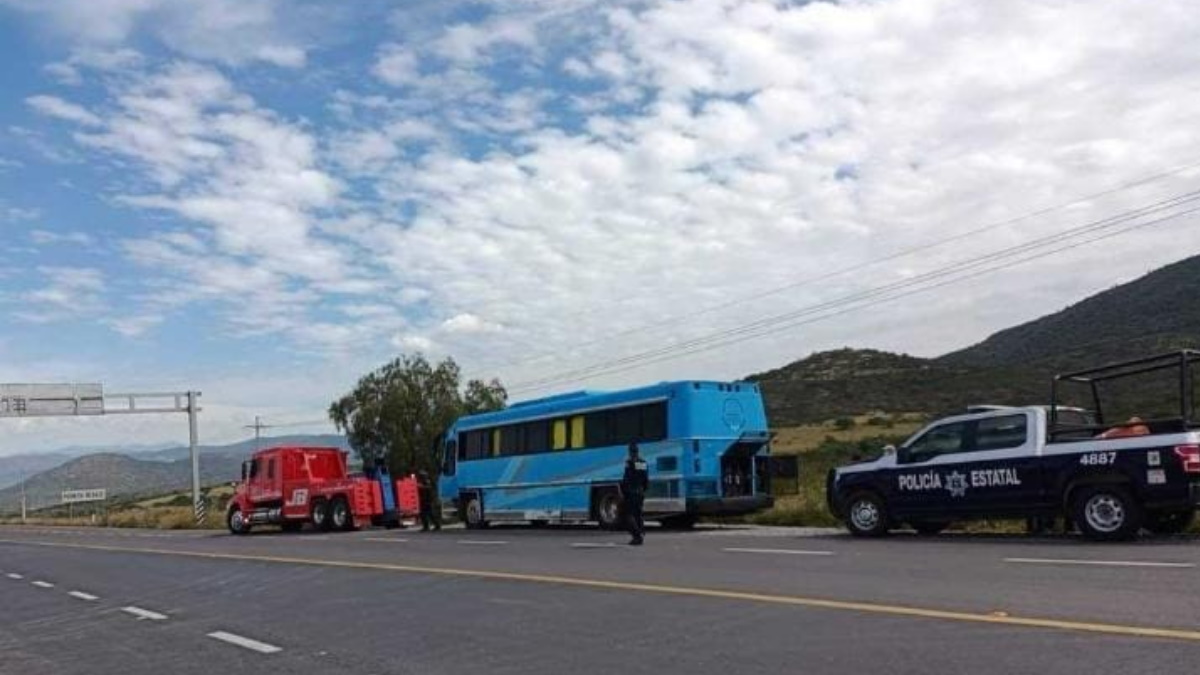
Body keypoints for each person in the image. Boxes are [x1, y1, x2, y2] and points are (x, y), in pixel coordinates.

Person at [621, 442, 649, 546]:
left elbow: (626, 479)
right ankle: (641, 532)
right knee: (638, 514)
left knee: (628, 515)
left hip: (631, 492)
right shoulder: (643, 462)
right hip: (640, 492)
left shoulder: (630, 462)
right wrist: (643, 490)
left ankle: (637, 536)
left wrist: (624, 491)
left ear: (630, 452)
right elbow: (646, 479)